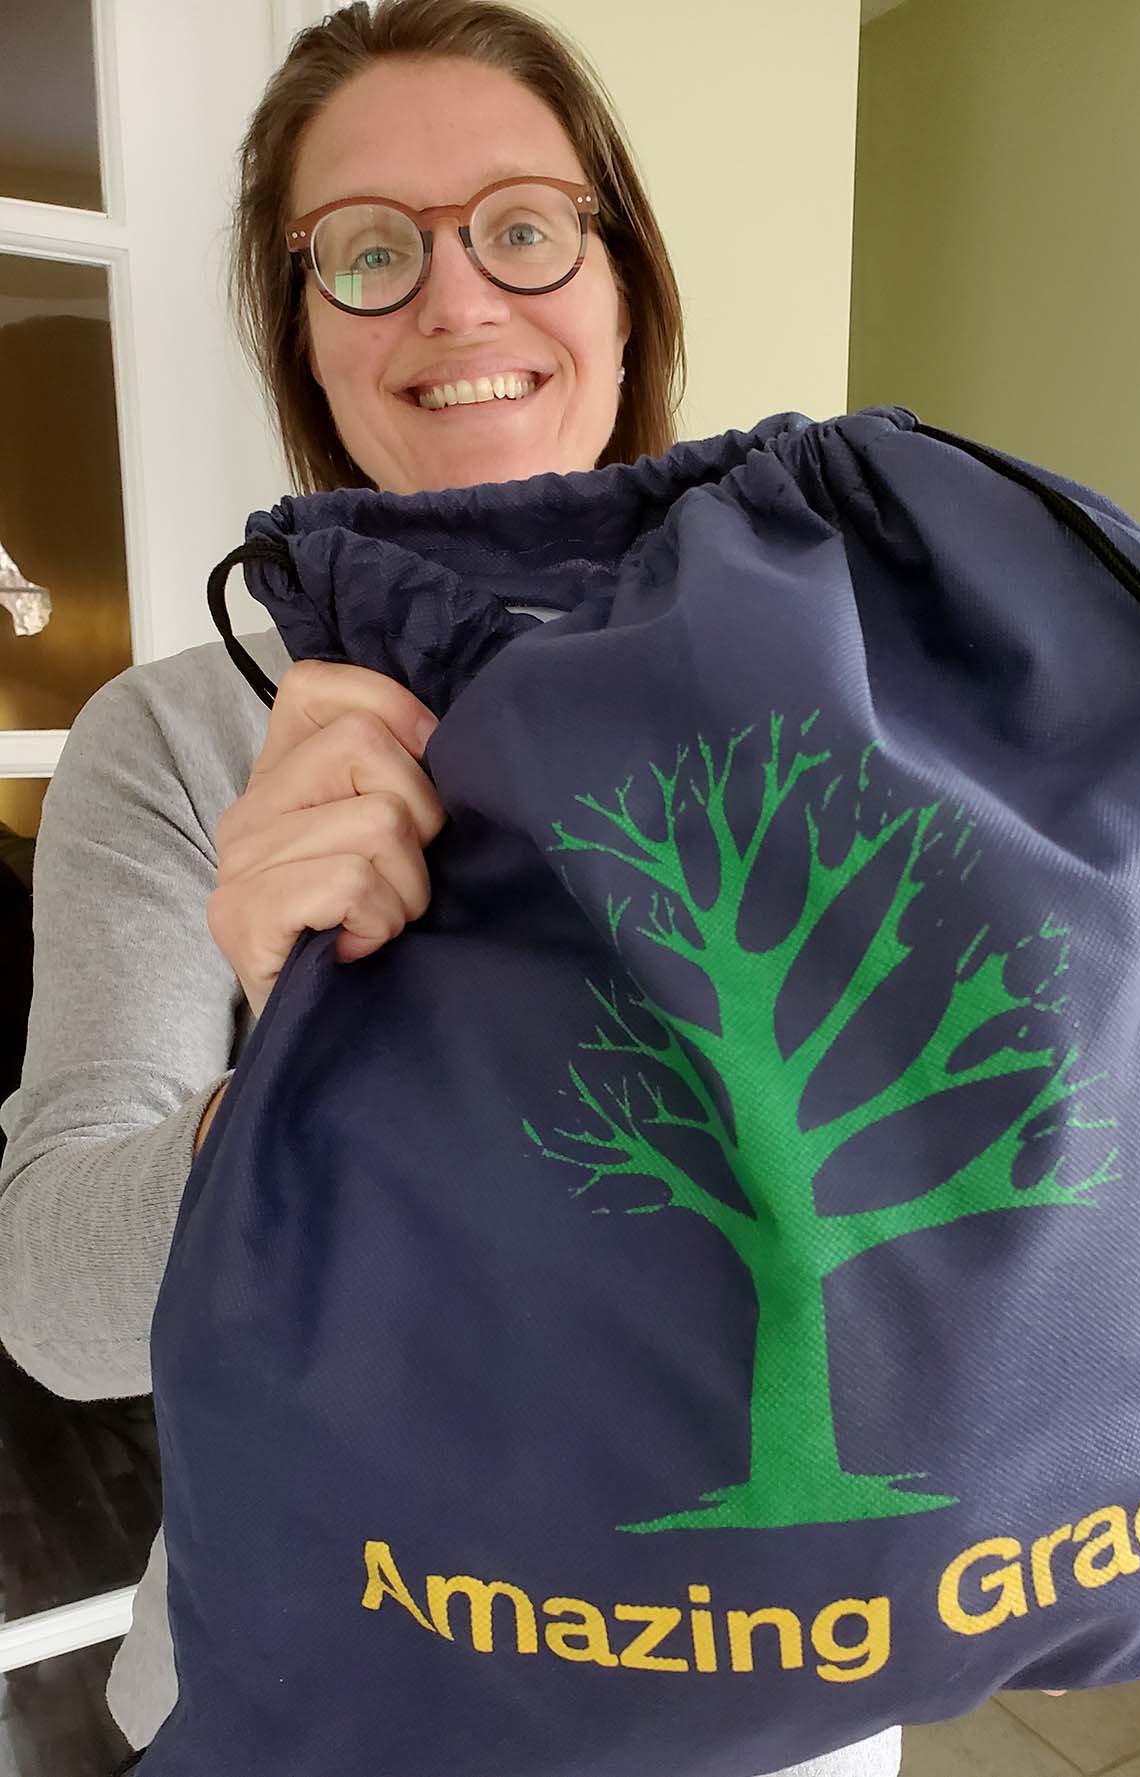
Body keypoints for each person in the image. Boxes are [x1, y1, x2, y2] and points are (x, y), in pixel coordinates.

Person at [0, 3, 912, 1770]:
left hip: (767, 1669)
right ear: (305, 340)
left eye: (522, 224)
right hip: (316, 1688)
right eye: (368, 252)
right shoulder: (188, 736)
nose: (457, 301)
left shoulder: (839, 674)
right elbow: (55, 1310)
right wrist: (290, 1041)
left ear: (621, 276)